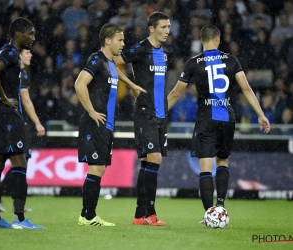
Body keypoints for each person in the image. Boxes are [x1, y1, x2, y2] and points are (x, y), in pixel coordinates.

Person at [167, 25, 271, 223]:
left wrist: (160, 113)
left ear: (202, 39)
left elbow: (176, 93)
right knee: (222, 162)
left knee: (205, 168)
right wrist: (260, 114)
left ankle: (209, 214)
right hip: (227, 117)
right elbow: (247, 89)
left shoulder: (193, 63)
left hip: (206, 117)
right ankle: (221, 206)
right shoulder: (231, 60)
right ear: (217, 39)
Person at [75, 23, 146, 226]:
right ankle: (88, 216)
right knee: (96, 169)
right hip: (96, 122)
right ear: (107, 40)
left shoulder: (109, 63)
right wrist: (91, 111)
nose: (123, 44)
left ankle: (86, 214)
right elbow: (79, 84)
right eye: (120, 40)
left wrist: (131, 85)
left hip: (107, 124)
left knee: (100, 170)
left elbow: (115, 72)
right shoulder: (96, 59)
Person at [114, 11, 171, 226]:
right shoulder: (140, 49)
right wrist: (130, 84)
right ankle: (151, 214)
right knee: (154, 158)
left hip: (160, 115)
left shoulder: (164, 53)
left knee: (149, 161)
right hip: (145, 114)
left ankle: (139, 215)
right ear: (152, 29)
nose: (167, 31)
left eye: (168, 27)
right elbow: (113, 61)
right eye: (163, 27)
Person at [0, 17, 43, 229]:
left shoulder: (8, 53)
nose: (33, 38)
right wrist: (4, 98)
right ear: (19, 34)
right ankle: (20, 219)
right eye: (30, 34)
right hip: (8, 115)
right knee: (19, 164)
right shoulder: (11, 53)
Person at [0, 49, 46, 213]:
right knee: (19, 161)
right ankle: (14, 202)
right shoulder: (20, 73)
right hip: (15, 123)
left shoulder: (4, 72)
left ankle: (9, 200)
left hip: (4, 121)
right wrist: (38, 123)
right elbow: (25, 100)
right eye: (27, 52)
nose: (31, 55)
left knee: (7, 160)